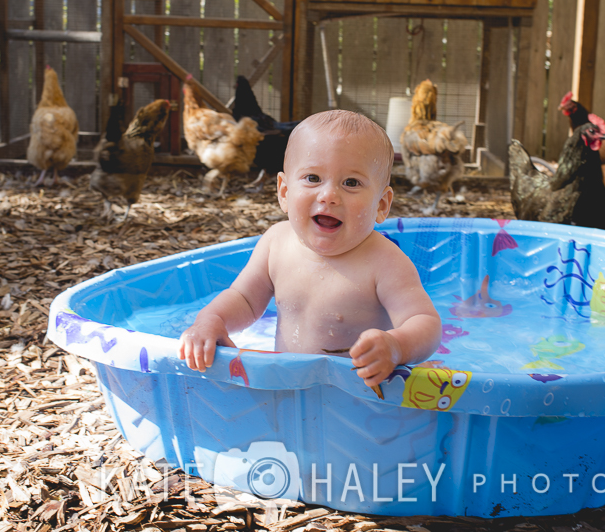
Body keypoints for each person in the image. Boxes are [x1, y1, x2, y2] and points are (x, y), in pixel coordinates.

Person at [179, 110, 442, 388]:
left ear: (381, 205)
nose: (328, 196)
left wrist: (396, 346)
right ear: (284, 192)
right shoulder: (275, 243)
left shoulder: (385, 262)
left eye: (351, 183)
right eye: (313, 178)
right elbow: (243, 299)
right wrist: (211, 320)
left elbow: (424, 322)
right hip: (286, 388)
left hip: (357, 398)